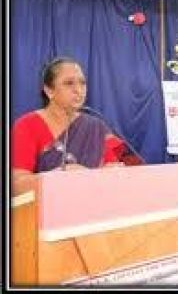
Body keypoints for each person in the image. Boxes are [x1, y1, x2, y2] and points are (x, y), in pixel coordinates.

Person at [12, 57, 127, 196]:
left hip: (93, 206)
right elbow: (16, 186)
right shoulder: (27, 125)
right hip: (46, 211)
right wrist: (58, 177)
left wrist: (112, 172)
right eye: (69, 83)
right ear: (49, 91)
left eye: (83, 83)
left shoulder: (96, 126)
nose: (79, 90)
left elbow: (111, 171)